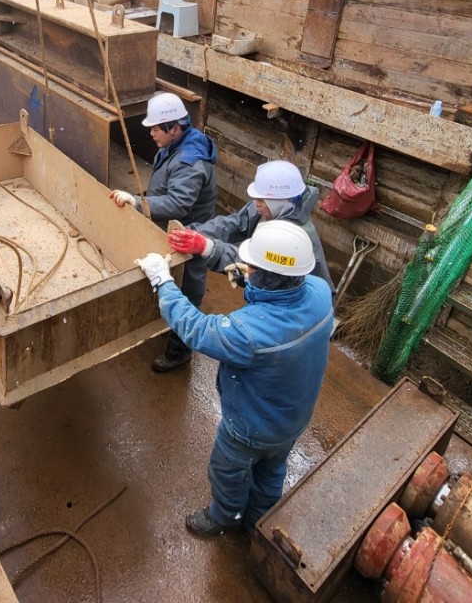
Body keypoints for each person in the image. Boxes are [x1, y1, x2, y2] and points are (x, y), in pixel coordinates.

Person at [135, 221, 333, 536]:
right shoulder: (321, 293)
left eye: (253, 267)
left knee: (226, 471)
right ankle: (260, 519)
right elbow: (283, 296)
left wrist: (163, 281)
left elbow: (195, 328)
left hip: (250, 429)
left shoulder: (248, 332)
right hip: (293, 420)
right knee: (272, 469)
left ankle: (225, 516)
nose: (248, 269)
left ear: (268, 276)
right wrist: (247, 281)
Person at [110, 91, 217, 372]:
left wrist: (137, 202)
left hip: (190, 232)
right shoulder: (178, 144)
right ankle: (164, 320)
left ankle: (179, 350)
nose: (152, 133)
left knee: (189, 287)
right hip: (174, 227)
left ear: (175, 127)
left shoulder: (189, 161)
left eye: (157, 128)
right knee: (169, 277)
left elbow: (179, 202)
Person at [166, 159, 334, 293]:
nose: (256, 203)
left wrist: (208, 248)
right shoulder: (265, 209)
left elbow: (254, 270)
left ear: (281, 201)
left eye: (262, 199)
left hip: (284, 305)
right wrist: (193, 232)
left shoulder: (290, 239)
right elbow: (234, 223)